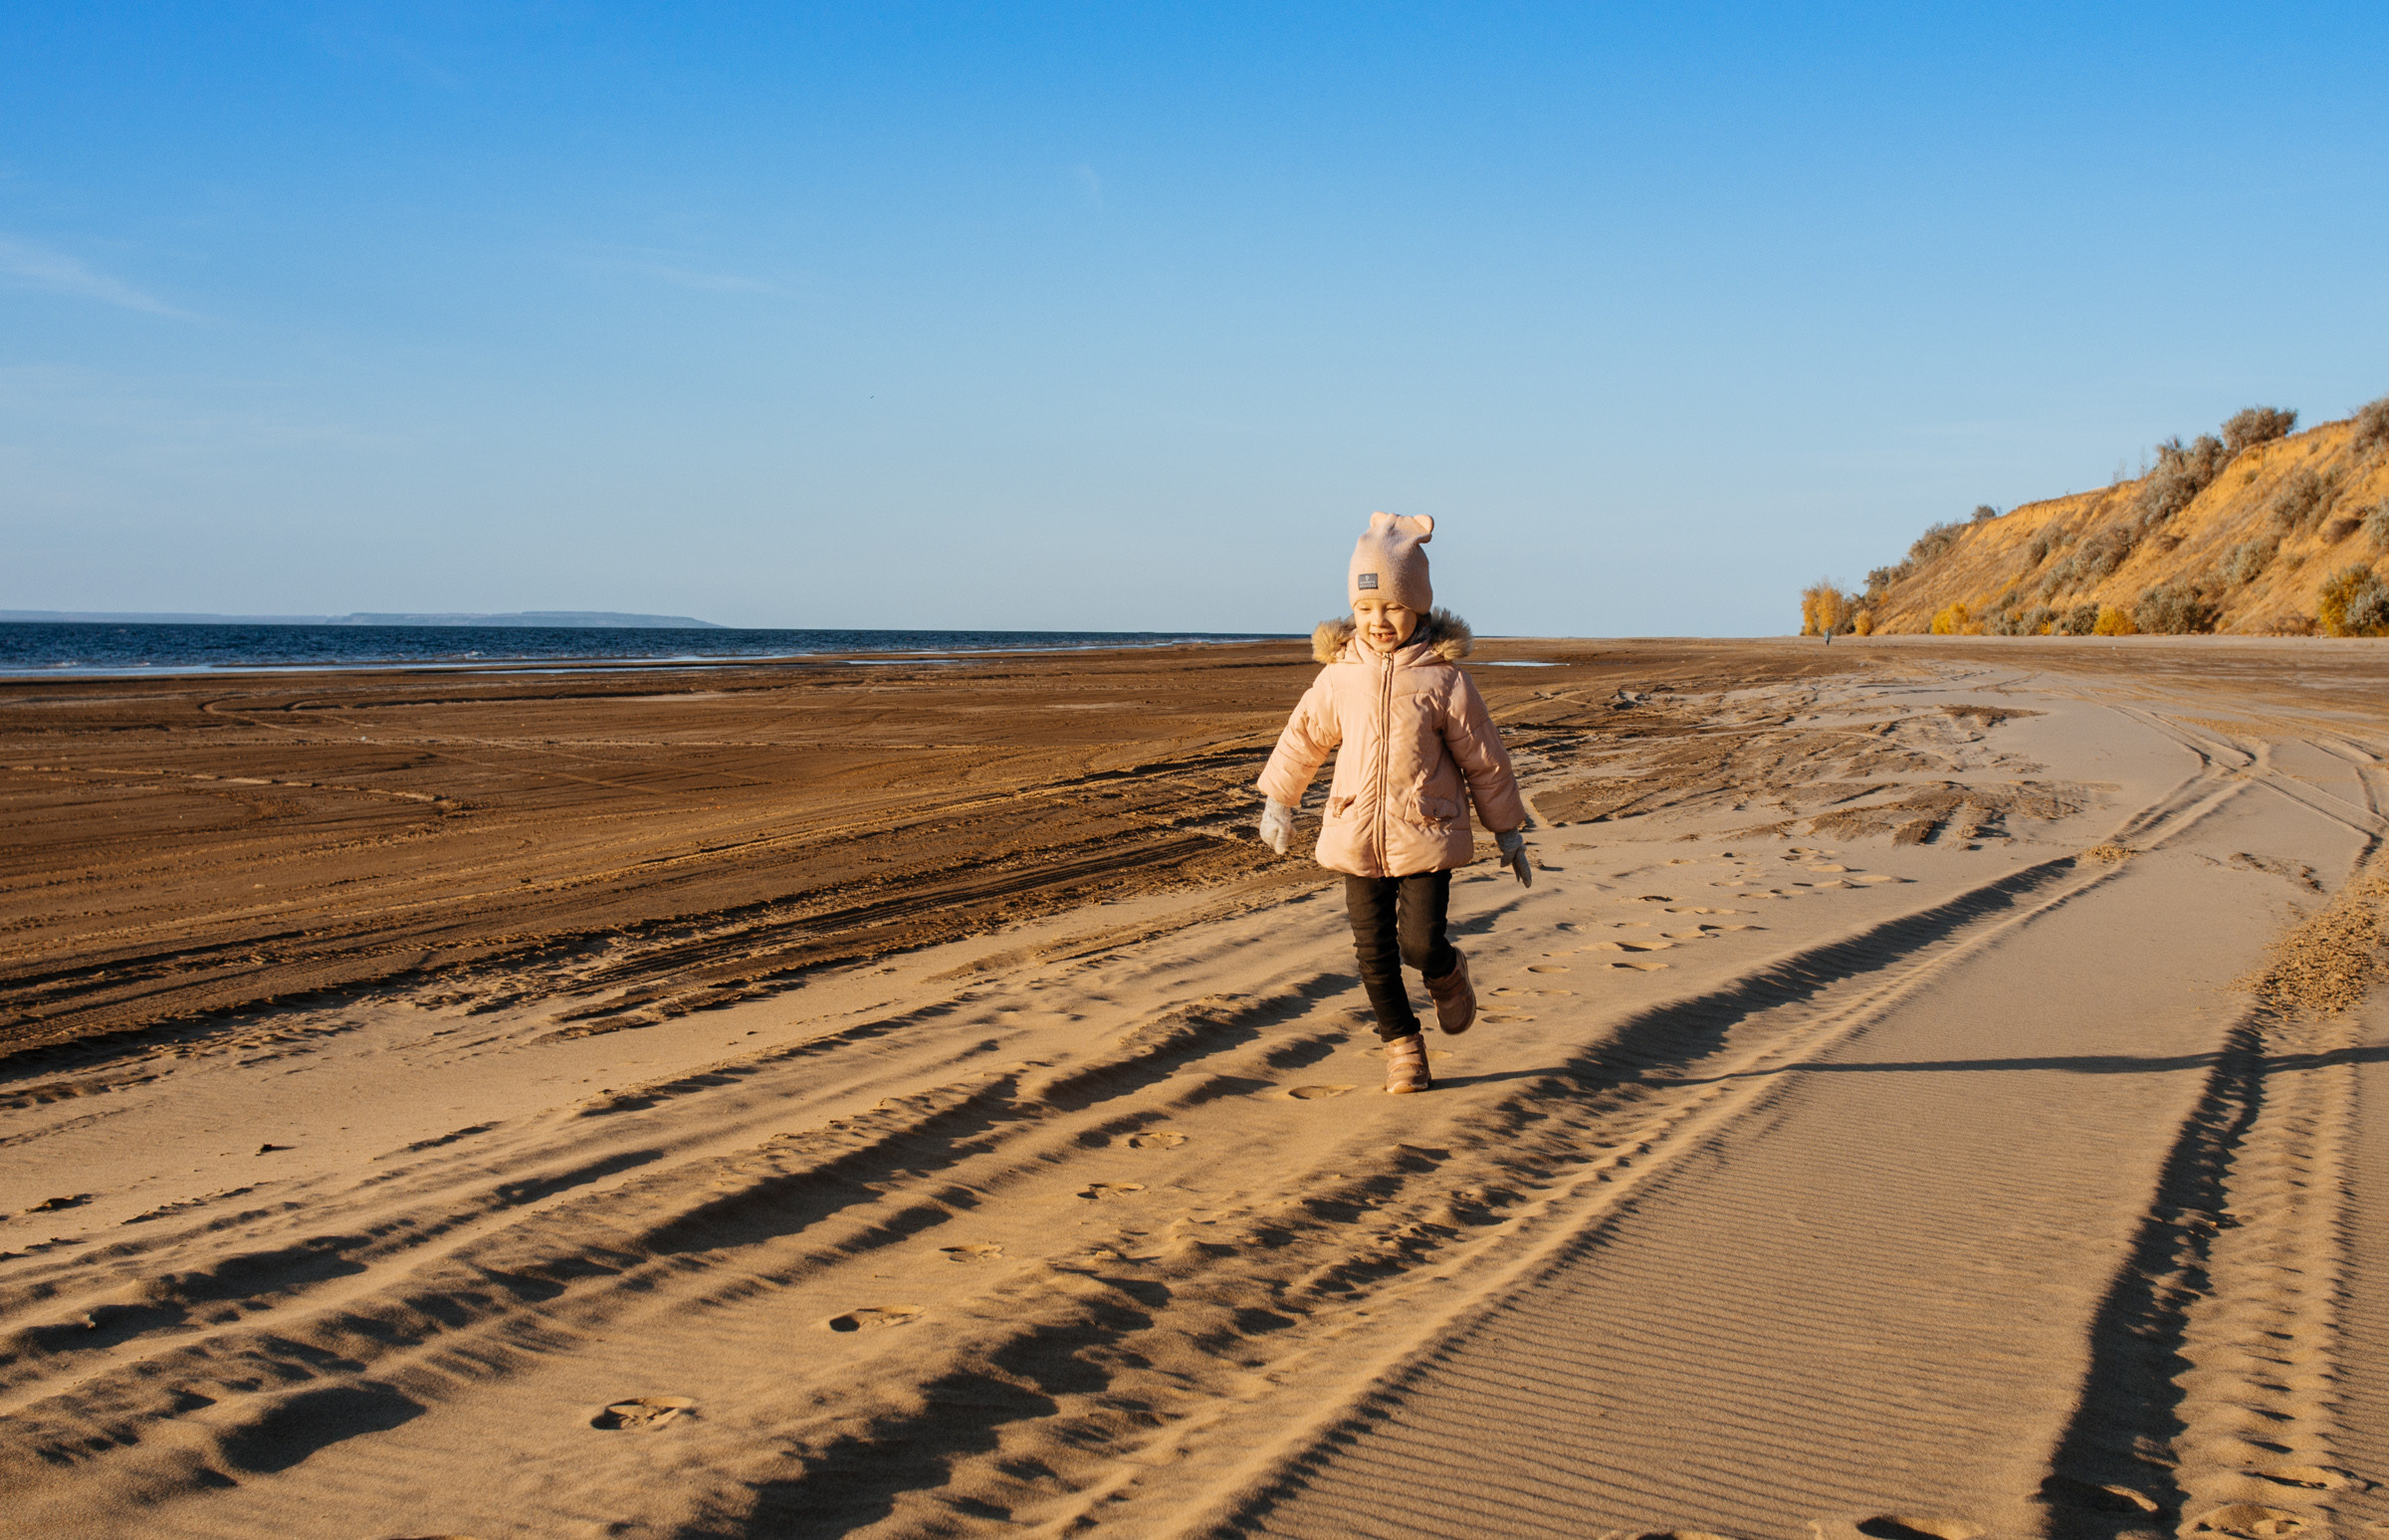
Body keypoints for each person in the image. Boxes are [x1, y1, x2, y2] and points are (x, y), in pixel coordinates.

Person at [1255, 512, 1533, 1095]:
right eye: (1364, 609)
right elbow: (1303, 736)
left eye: (1392, 607)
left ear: (1420, 610)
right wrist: (1280, 800)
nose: (1377, 621)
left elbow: (1485, 759)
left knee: (1418, 943)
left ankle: (1446, 971)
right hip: (1355, 829)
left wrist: (1507, 831)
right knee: (1373, 953)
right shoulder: (1339, 676)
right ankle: (1403, 1046)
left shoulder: (1444, 679)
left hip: (1425, 831)